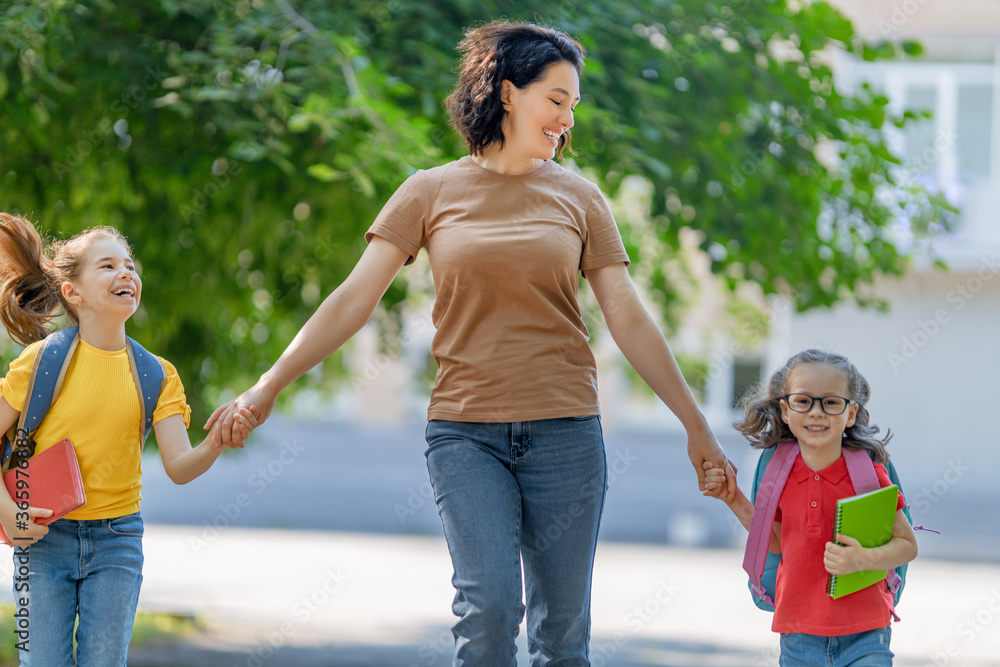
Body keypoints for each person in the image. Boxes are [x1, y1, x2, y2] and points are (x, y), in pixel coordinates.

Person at [209, 20, 735, 666]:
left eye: (573, 107)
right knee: (487, 613)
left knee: (562, 637)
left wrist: (695, 424)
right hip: (466, 434)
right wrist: (269, 384)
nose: (567, 120)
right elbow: (351, 300)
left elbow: (628, 318)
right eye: (557, 100)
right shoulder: (430, 192)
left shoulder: (581, 199)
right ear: (509, 94)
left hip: (566, 433)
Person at [0, 213, 258, 666]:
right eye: (108, 266)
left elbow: (180, 466)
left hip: (118, 541)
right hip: (42, 542)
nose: (126, 273)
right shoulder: (43, 361)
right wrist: (10, 513)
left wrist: (215, 442)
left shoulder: (156, 373)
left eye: (130, 266)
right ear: (72, 292)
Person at [703, 349, 918, 666]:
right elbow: (775, 542)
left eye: (831, 402)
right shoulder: (778, 473)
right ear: (786, 410)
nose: (817, 412)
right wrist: (732, 499)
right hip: (799, 634)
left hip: (867, 631)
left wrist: (862, 558)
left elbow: (907, 545)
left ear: (851, 413)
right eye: (804, 401)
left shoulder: (869, 473)